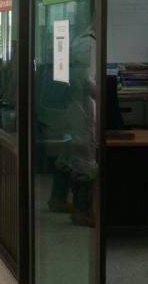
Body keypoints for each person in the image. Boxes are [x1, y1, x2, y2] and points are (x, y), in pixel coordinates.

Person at [45, 23, 97, 227]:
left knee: (68, 153)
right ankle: (83, 210)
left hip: (74, 106)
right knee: (85, 155)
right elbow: (85, 80)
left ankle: (57, 198)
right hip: (81, 106)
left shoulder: (81, 41)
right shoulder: (89, 44)